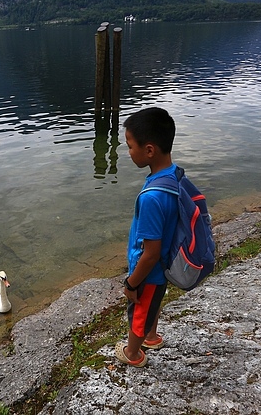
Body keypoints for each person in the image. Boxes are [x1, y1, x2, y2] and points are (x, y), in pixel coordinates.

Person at [115, 107, 179, 367]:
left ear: (149, 150)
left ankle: (133, 353)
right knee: (154, 302)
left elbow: (150, 253)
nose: (128, 152)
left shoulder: (152, 197)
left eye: (130, 146)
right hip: (162, 268)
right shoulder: (171, 176)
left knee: (139, 310)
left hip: (149, 270)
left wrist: (132, 283)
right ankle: (152, 336)